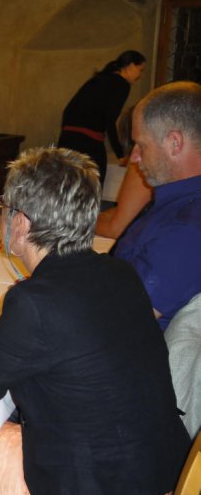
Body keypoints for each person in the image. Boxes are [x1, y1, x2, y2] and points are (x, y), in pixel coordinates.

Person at [0, 147, 189, 495]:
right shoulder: (119, 273)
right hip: (166, 475)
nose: (2, 217)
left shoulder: (34, 301)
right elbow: (62, 352)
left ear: (21, 224)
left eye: (5, 207)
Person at [114, 81, 201, 330]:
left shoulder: (187, 228)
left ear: (174, 143)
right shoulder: (176, 203)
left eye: (141, 145)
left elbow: (119, 318)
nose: (134, 157)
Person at [58, 50, 146, 185]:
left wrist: (66, 138)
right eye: (140, 70)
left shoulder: (99, 79)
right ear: (130, 66)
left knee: (66, 185)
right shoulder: (122, 84)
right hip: (88, 144)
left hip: (67, 140)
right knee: (93, 185)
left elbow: (68, 111)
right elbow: (110, 120)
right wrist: (120, 154)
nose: (140, 75)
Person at [95, 105, 153, 238]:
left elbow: (117, 229)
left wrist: (80, 223)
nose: (134, 158)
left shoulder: (143, 160)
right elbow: (127, 212)